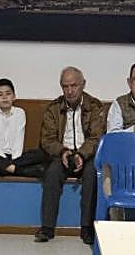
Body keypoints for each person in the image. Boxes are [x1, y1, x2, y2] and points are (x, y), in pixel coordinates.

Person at [35, 66, 106, 244]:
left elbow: (97, 137)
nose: (70, 90)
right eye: (65, 86)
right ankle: (47, 227)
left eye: (74, 85)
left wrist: (81, 154)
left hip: (87, 156)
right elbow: (47, 139)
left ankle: (87, 228)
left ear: (83, 85)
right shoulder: (53, 108)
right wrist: (63, 152)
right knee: (51, 173)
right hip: (62, 154)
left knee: (92, 174)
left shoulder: (95, 106)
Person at [0, 78, 43, 180]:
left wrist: (11, 161)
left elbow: (19, 139)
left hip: (15, 157)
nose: (5, 97)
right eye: (0, 94)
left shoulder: (20, 112)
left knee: (40, 154)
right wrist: (5, 161)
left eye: (8, 93)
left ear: (14, 96)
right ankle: (19, 170)